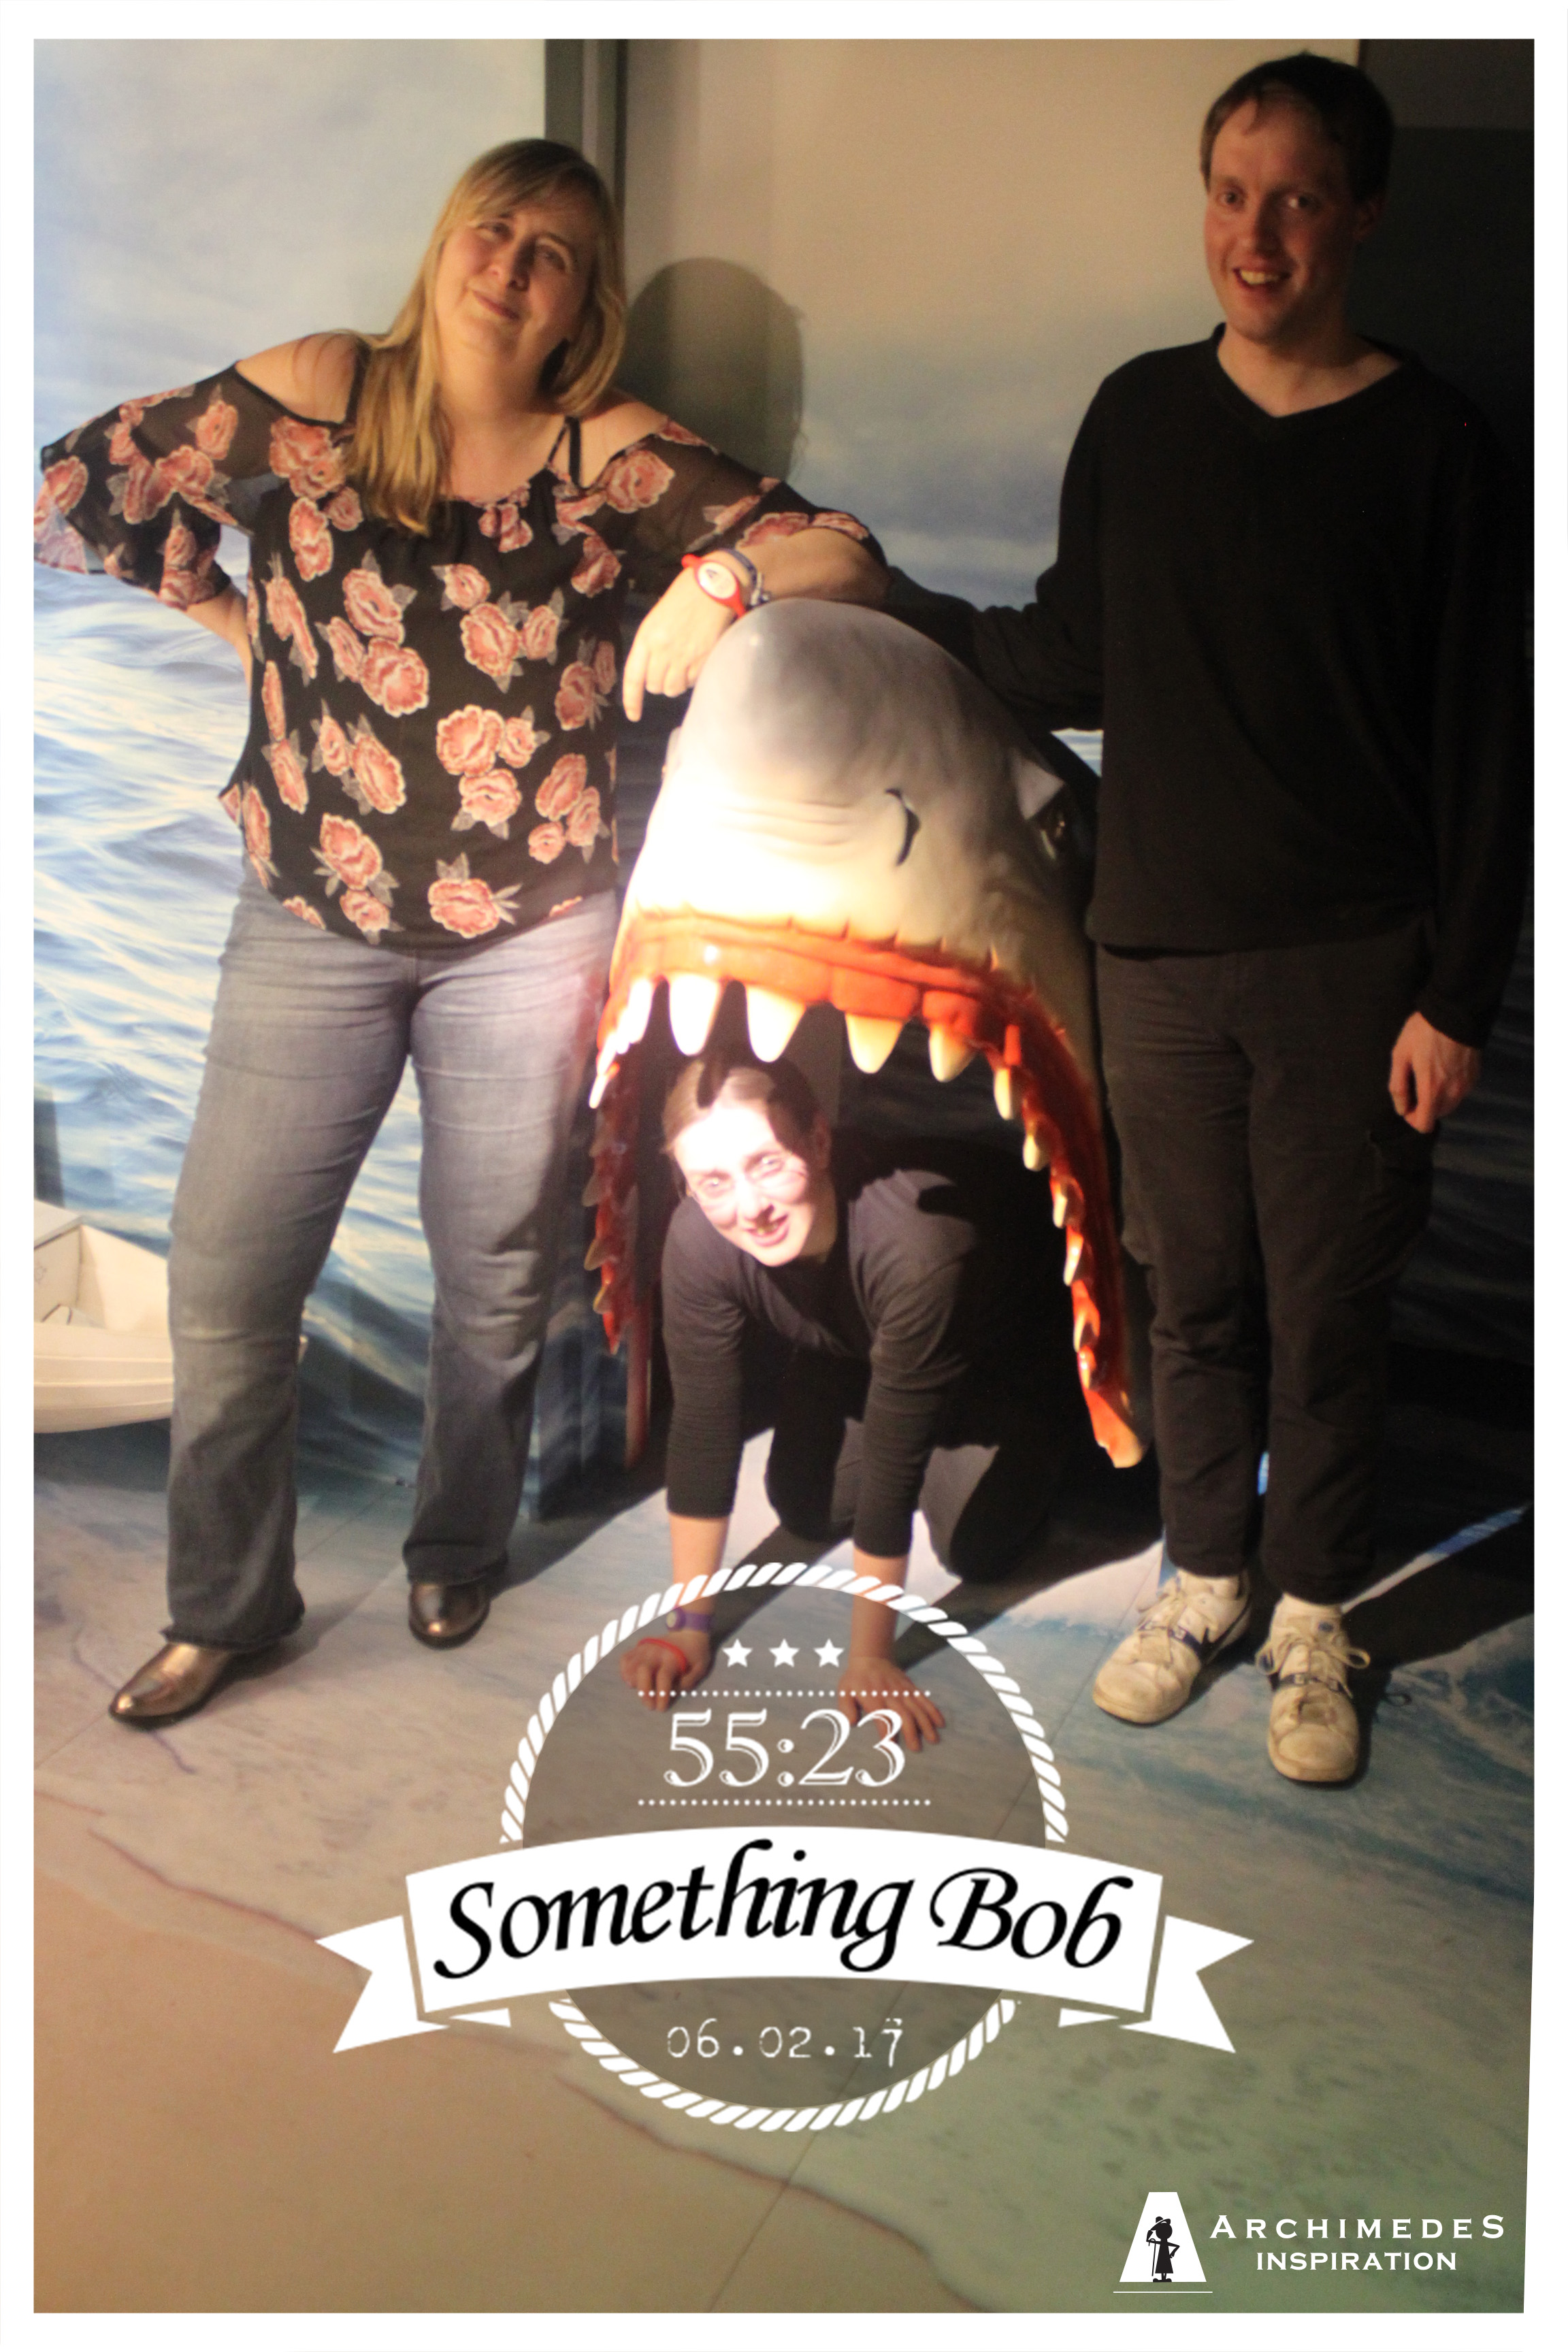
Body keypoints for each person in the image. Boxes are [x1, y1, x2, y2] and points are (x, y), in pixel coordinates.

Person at [35, 137, 885, 1726]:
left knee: (494, 1276)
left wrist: (719, 579)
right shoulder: (319, 395)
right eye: (495, 227)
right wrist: (225, 615)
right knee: (228, 1277)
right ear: (445, 242)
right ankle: (226, 1607)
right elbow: (80, 488)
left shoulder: (602, 451)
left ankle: (457, 1545)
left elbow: (841, 552)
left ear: (582, 306)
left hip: (530, 938)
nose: (512, 264)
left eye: (554, 252)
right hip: (310, 919)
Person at [947, 55, 1528, 1781]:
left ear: (1361, 214)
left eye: (1295, 199)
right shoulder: (1138, 413)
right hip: (1156, 958)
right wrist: (863, 596)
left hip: (1357, 971)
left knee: (1331, 1312)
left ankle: (1316, 1615)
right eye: (1228, 194)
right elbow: (1065, 652)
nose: (1253, 235)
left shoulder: (1440, 445)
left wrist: (1461, 999)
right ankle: (1205, 1579)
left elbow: (1492, 744)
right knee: (1189, 1295)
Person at [618, 1049, 1088, 1748]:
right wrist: (688, 1627)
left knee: (977, 1544)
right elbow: (704, 1428)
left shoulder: (915, 1245)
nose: (750, 1208)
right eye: (713, 1181)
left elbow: (894, 1464)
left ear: (818, 1141)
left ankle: (1044, 1439)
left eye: (768, 1163)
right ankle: (919, 1418)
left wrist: (870, 1657)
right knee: (807, 1506)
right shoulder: (697, 1241)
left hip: (1004, 1352)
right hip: (861, 1346)